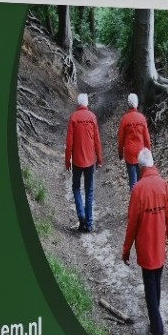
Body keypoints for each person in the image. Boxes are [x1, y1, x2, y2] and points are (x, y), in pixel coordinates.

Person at [122, 148, 168, 335]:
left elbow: (132, 224)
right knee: (157, 284)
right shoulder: (164, 186)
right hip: (160, 248)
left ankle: (158, 331)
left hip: (145, 249)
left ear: (140, 166)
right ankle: (155, 323)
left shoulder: (138, 189)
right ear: (152, 164)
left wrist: (126, 250)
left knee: (150, 290)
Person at [64, 93, 105, 232]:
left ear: (78, 104)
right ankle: (89, 223)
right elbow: (97, 141)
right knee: (89, 191)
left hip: (76, 160)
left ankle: (81, 215)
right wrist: (99, 159)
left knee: (76, 188)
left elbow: (69, 143)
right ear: (86, 104)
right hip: (90, 160)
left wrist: (67, 160)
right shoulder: (92, 117)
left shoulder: (74, 117)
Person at [118, 93, 152, 190]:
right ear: (137, 104)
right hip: (141, 153)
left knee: (133, 182)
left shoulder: (125, 119)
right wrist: (148, 153)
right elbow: (146, 138)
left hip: (129, 154)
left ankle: (134, 202)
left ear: (128, 104)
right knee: (142, 180)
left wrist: (120, 153)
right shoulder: (141, 118)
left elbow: (121, 138)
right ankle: (142, 202)